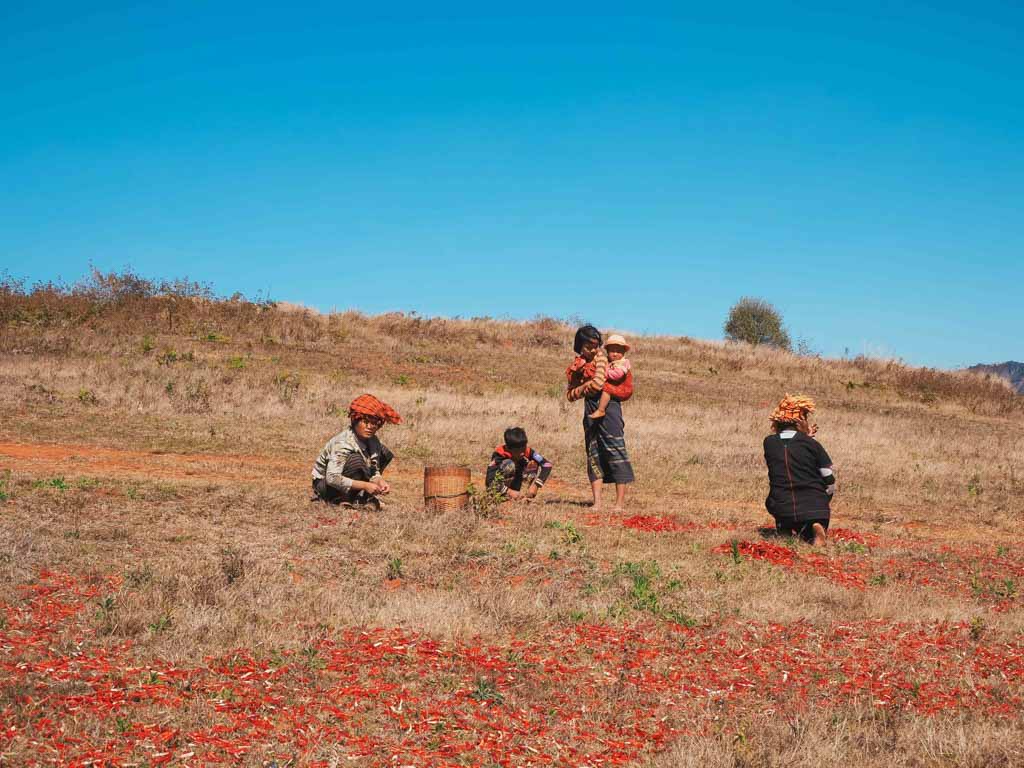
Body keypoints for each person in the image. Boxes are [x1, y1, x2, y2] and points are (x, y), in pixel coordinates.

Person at [566, 325, 635, 512]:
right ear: (580, 346)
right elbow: (570, 395)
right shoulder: (577, 365)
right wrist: (583, 387)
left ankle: (619, 504)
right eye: (589, 346)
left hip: (610, 410)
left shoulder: (601, 359)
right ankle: (597, 502)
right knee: (593, 453)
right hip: (590, 409)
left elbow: (597, 385)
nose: (593, 350)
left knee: (616, 451)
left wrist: (583, 386)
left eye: (596, 346)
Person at [762, 394, 836, 545]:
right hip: (813, 505)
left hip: (781, 503)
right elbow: (828, 476)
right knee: (812, 519)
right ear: (800, 422)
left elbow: (789, 447)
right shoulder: (811, 444)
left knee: (782, 514)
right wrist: (825, 497)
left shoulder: (768, 443)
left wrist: (805, 437)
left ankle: (785, 530)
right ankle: (816, 527)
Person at [311, 394, 401, 509]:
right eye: (365, 422)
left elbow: (374, 469)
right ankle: (342, 498)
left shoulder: (373, 441)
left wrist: (379, 481)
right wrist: (365, 485)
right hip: (326, 485)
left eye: (375, 423)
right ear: (355, 421)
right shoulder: (343, 443)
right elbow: (332, 478)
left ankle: (363, 496)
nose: (370, 427)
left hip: (349, 479)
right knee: (355, 459)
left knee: (384, 452)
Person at [485, 427, 553, 502]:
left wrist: (536, 485)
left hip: (517, 486)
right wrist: (509, 492)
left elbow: (547, 465)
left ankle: (525, 496)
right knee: (509, 464)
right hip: (499, 489)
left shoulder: (527, 451)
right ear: (508, 448)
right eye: (518, 451)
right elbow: (490, 482)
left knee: (533, 464)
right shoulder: (499, 455)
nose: (522, 453)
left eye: (523, 449)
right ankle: (504, 497)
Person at [589, 333, 633, 420]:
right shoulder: (608, 361)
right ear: (607, 352)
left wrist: (603, 372)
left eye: (619, 351)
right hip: (617, 387)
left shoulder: (623, 363)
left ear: (624, 352)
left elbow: (617, 375)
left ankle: (601, 410)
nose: (615, 354)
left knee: (607, 389)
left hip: (624, 389)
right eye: (612, 351)